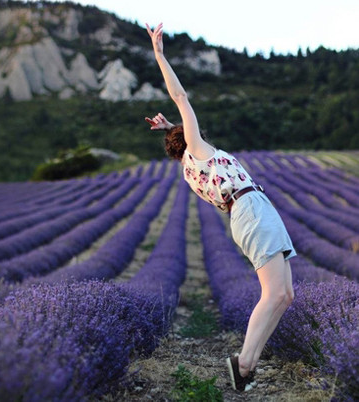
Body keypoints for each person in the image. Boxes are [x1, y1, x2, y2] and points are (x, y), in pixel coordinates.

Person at [145, 23, 296, 392]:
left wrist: (168, 127)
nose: (196, 130)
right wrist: (161, 56)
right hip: (250, 209)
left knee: (286, 295)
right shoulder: (197, 152)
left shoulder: (189, 166)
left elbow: (181, 129)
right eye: (189, 129)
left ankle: (247, 368)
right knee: (275, 294)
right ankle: (242, 363)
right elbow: (181, 96)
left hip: (251, 208)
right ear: (189, 139)